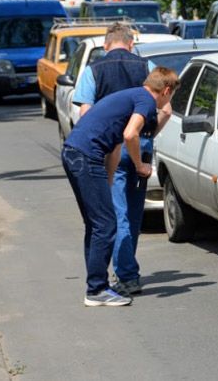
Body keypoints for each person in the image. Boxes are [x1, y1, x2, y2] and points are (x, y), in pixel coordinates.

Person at [62, 67, 179, 306]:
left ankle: (96, 285)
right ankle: (96, 290)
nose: (169, 101)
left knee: (96, 224)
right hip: (86, 156)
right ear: (166, 90)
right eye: (172, 95)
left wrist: (108, 179)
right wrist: (140, 166)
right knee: (106, 225)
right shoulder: (146, 102)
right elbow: (130, 135)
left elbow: (115, 147)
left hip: (74, 152)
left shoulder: (133, 96)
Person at [73, 22, 171, 297]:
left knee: (116, 214)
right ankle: (128, 271)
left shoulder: (93, 70)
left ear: (106, 45)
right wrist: (147, 134)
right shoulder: (147, 66)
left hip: (111, 150)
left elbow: (85, 114)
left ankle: (124, 277)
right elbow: (166, 110)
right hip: (140, 150)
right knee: (134, 213)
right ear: (131, 44)